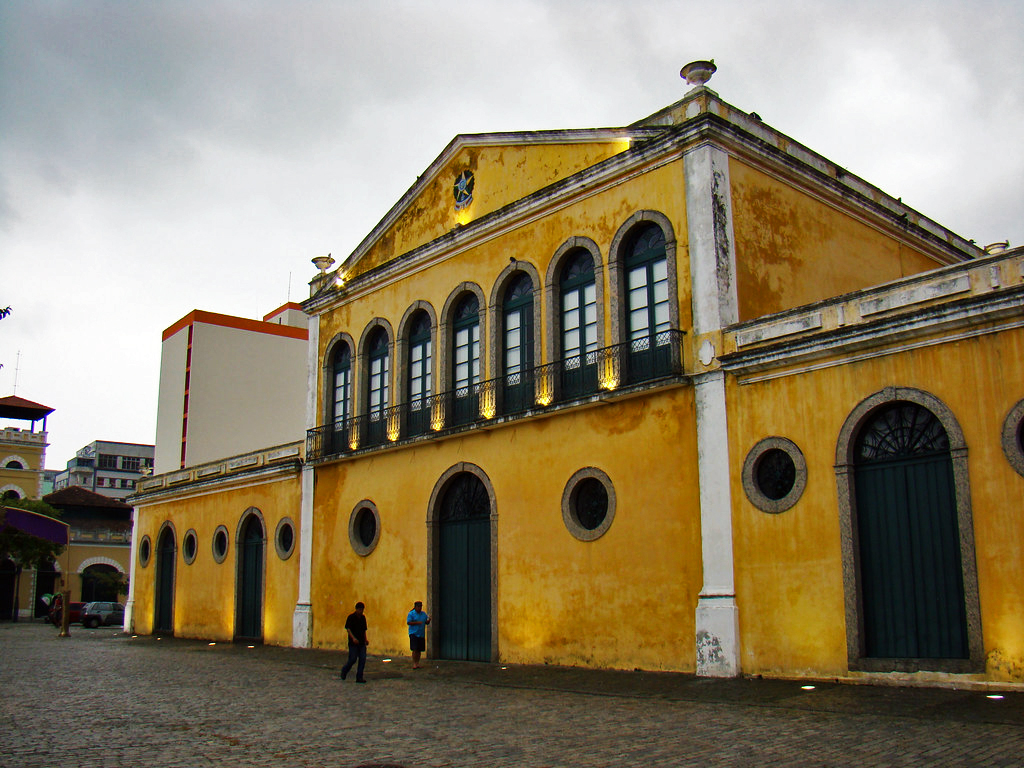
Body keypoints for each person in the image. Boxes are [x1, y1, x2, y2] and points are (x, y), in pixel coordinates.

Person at [340, 601, 368, 683]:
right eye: (359, 609)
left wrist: (366, 639)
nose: (361, 611)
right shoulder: (351, 617)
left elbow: (364, 630)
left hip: (362, 642)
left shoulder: (363, 618)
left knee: (362, 659)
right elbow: (348, 629)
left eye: (362, 610)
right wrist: (353, 638)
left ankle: (359, 677)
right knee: (353, 659)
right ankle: (344, 670)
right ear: (356, 609)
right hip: (353, 643)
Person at [406, 601, 430, 669]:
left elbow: (426, 622)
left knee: (419, 649)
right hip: (413, 633)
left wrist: (428, 621)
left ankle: (417, 663)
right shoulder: (411, 614)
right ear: (415, 607)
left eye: (421, 607)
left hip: (421, 633)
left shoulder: (423, 614)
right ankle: (414, 663)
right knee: (415, 649)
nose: (420, 608)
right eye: (418, 607)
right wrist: (417, 623)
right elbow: (409, 622)